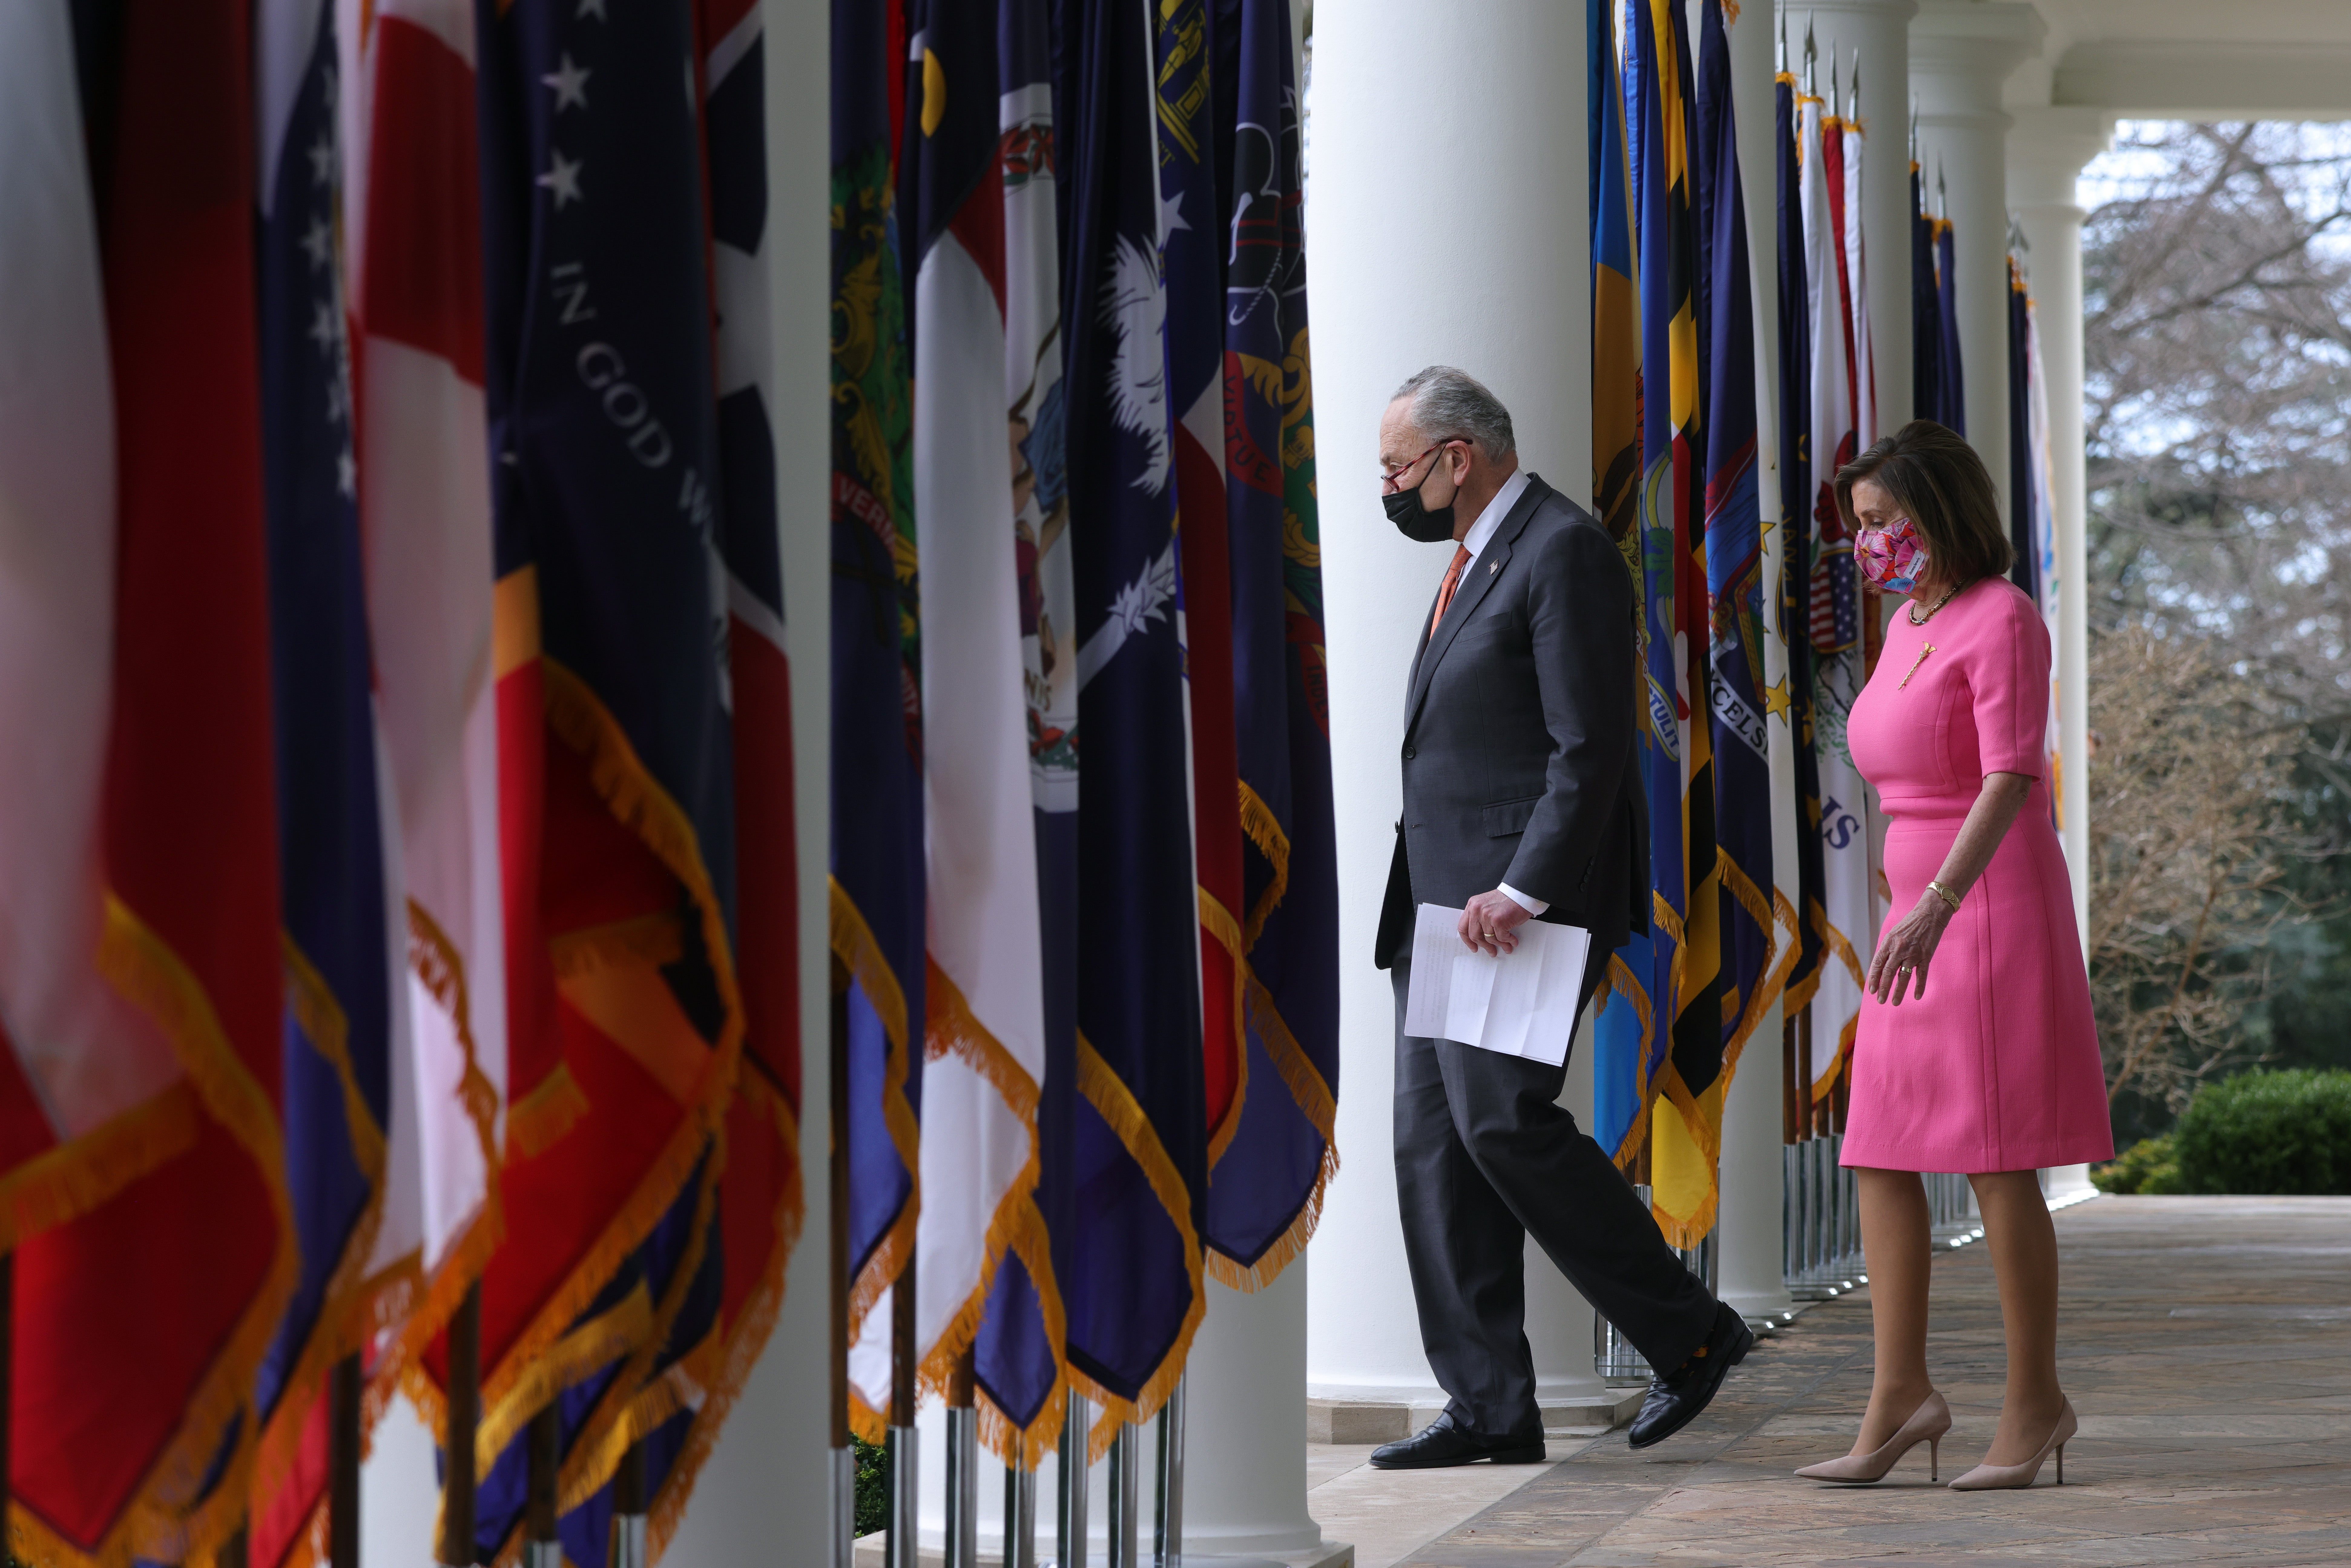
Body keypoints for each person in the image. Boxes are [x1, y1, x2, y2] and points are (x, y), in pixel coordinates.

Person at [1368, 366, 1752, 1471]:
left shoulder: (1562, 549)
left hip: (1515, 907)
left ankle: (1688, 1330)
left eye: (1397, 468)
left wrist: (1526, 887)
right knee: (1435, 1152)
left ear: (1458, 457)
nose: (1388, 489)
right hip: (1440, 907)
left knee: (1502, 1126)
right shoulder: (1472, 559)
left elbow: (1590, 747)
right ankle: (1490, 1406)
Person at [1795, 421, 2113, 1491]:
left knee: (1996, 1152)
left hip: (1982, 905)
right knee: (1878, 1146)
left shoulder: (2003, 619)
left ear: (1941, 515)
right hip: (1912, 912)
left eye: (1883, 522)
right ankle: (1902, 1398)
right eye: (1860, 528)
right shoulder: (1903, 629)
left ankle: (2036, 1406)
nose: (1866, 545)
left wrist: (1937, 902)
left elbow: (2011, 774)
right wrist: (1909, 906)